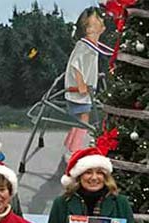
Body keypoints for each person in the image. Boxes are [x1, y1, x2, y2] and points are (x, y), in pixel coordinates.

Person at [63, 6, 111, 154]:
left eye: (96, 26)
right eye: (89, 27)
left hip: (85, 92)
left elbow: (87, 67)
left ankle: (69, 143)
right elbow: (75, 65)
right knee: (83, 121)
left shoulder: (94, 46)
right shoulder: (84, 45)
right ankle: (74, 150)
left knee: (81, 119)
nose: (92, 30)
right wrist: (81, 83)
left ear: (102, 29)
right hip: (78, 91)